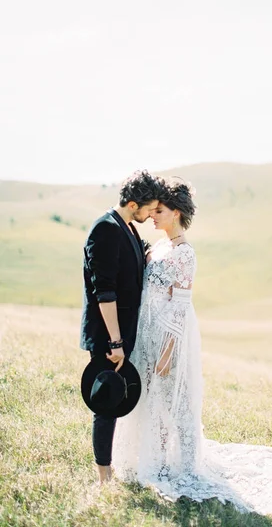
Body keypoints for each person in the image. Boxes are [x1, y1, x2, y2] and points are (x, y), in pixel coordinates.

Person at [113, 178, 272, 515]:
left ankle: (182, 465)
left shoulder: (185, 254)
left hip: (172, 339)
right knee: (151, 398)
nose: (153, 216)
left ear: (177, 213)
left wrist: (168, 353)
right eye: (152, 210)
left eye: (160, 211)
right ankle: (154, 459)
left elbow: (180, 308)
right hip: (147, 334)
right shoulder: (157, 247)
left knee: (175, 402)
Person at [80, 169, 166, 485]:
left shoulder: (126, 227)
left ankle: (112, 467)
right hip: (107, 335)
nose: (151, 213)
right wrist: (115, 342)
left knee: (116, 399)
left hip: (122, 332)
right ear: (133, 204)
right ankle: (103, 476)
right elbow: (104, 292)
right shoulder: (104, 230)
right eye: (149, 208)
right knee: (105, 401)